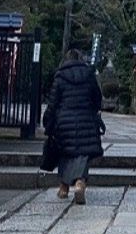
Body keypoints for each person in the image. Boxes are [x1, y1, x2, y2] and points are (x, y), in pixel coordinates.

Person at [42, 49, 104, 204]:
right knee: (82, 155)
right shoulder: (89, 75)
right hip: (86, 119)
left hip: (64, 121)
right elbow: (97, 98)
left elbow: (53, 102)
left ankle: (63, 188)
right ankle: (79, 183)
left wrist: (47, 120)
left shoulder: (60, 76)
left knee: (65, 153)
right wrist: (93, 110)